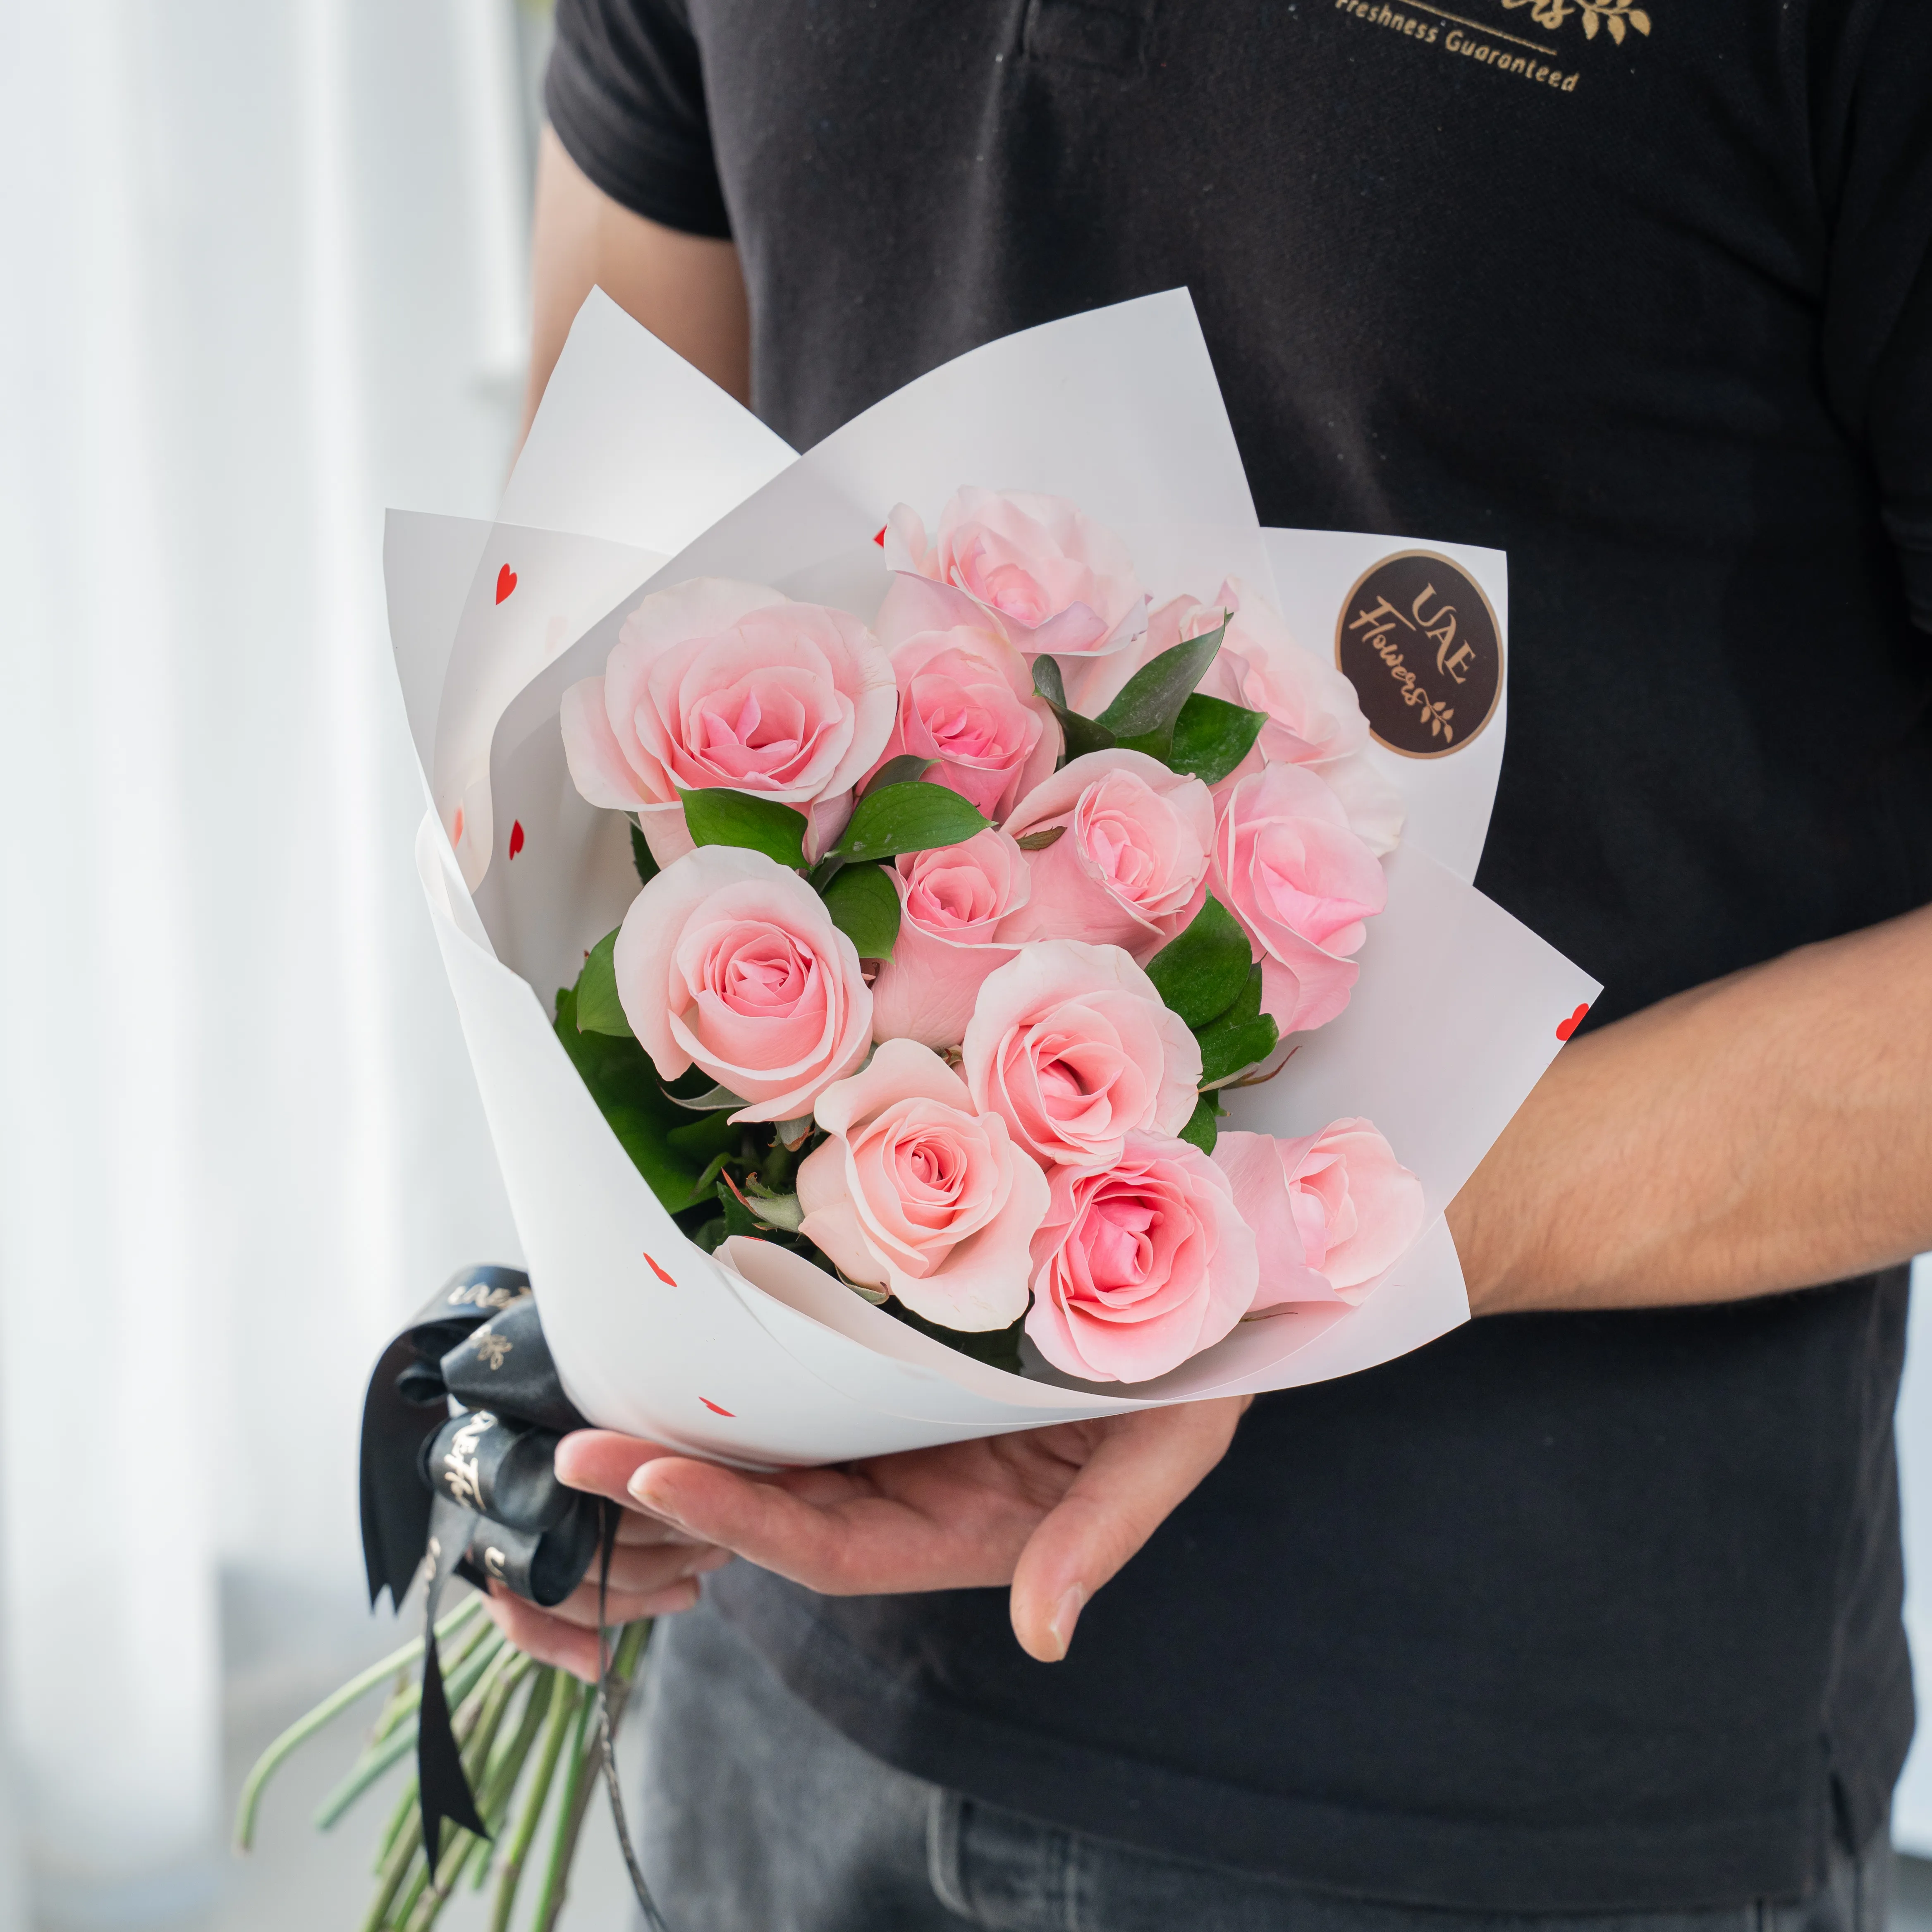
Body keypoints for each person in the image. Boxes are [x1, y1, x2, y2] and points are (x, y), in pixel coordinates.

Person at [484, 2, 1932, 1925]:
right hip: (777, 1673)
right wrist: (621, 1271)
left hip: (1500, 1773)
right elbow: (602, 564)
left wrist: (1292, 1240)